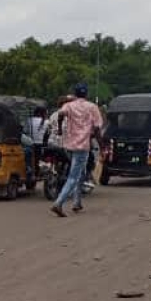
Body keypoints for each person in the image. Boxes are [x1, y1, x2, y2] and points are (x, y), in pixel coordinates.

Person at [50, 83, 102, 217]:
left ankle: (77, 202)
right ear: (86, 94)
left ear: (75, 93)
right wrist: (102, 145)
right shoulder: (92, 107)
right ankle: (58, 203)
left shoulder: (69, 105)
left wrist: (61, 129)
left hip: (69, 145)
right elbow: (97, 128)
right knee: (73, 176)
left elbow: (61, 114)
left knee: (80, 173)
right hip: (82, 146)